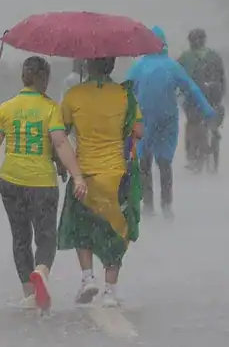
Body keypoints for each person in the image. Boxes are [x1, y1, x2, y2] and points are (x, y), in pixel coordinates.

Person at [0, 56, 87, 313]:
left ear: (24, 77)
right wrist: (76, 175)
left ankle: (29, 293)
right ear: (43, 79)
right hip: (41, 183)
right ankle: (41, 271)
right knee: (46, 237)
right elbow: (60, 143)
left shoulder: (6, 108)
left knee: (20, 238)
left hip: (11, 182)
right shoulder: (50, 108)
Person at [58, 57, 143, 308]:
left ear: (87, 66)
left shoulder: (74, 95)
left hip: (85, 175)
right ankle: (110, 291)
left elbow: (60, 132)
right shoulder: (124, 95)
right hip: (116, 176)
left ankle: (87, 278)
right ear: (112, 66)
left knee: (81, 227)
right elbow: (139, 131)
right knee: (115, 231)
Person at [126, 26, 215, 219]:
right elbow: (192, 89)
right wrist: (207, 109)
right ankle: (166, 205)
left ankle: (148, 205)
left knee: (144, 162)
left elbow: (123, 91)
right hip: (167, 119)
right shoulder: (173, 67)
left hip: (143, 120)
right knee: (164, 162)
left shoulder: (139, 66)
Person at [177, 28, 227, 172]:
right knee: (213, 124)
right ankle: (212, 157)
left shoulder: (185, 57)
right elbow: (222, 79)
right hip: (212, 99)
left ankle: (193, 156)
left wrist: (180, 93)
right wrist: (220, 95)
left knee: (192, 125)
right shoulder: (214, 56)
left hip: (193, 100)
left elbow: (177, 77)